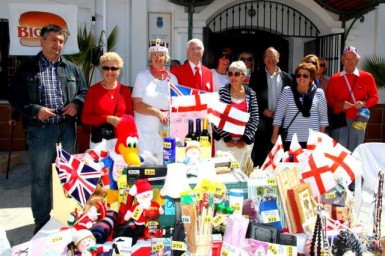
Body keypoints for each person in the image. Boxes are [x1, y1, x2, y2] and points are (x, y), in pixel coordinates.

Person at [9, 24, 88, 234]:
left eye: (61, 41)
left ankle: (68, 216)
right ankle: (42, 221)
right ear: (42, 41)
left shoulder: (71, 69)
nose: (57, 45)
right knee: (40, 177)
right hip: (40, 130)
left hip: (66, 130)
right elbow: (15, 98)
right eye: (53, 40)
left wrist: (76, 104)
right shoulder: (27, 69)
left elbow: (83, 91)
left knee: (68, 176)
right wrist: (35, 110)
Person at [132, 38, 178, 164]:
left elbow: (177, 104)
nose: (158, 58)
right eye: (154, 55)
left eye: (161, 55)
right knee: (145, 167)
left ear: (166, 58)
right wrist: (157, 113)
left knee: (166, 165)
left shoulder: (173, 79)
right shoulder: (142, 76)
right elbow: (137, 105)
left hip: (166, 130)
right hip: (145, 131)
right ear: (150, 58)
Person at [326, 46, 378, 151]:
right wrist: (340, 104)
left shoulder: (367, 77)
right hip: (340, 119)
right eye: (347, 58)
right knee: (339, 152)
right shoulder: (334, 78)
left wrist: (364, 103)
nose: (350, 61)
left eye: (353, 58)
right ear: (342, 60)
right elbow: (329, 99)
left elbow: (375, 97)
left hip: (359, 119)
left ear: (357, 60)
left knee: (355, 151)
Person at [249, 47, 292, 167]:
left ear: (278, 59)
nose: (270, 59)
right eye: (267, 56)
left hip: (282, 122)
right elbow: (253, 95)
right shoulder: (256, 76)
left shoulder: (287, 78)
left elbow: (290, 99)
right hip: (263, 122)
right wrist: (263, 110)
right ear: (263, 60)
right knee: (261, 155)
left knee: (279, 154)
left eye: (273, 56)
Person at [81, 52, 133, 149]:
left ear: (119, 70)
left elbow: (130, 116)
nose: (109, 71)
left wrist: (122, 121)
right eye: (106, 68)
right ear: (102, 70)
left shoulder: (125, 91)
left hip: (120, 141)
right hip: (99, 141)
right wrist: (107, 119)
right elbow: (85, 118)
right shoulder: (93, 90)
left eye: (114, 68)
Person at [271, 62, 328, 150]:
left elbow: (323, 119)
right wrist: (274, 135)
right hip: (290, 140)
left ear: (311, 78)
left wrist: (320, 139)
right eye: (299, 75)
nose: (301, 78)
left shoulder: (319, 93)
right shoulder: (287, 91)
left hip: (312, 141)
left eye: (305, 75)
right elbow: (278, 115)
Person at [213, 60, 259, 164]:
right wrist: (227, 138)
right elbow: (217, 117)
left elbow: (254, 118)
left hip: (243, 145)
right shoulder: (222, 92)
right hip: (223, 144)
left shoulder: (251, 94)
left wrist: (244, 140)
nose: (233, 77)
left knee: (241, 175)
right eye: (230, 73)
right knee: (223, 174)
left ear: (244, 76)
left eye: (237, 74)